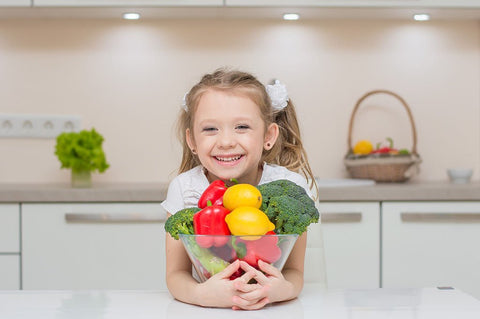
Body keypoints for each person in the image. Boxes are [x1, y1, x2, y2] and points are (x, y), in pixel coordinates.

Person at [162, 68, 317, 310]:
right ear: (192, 140)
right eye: (210, 129)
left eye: (242, 127)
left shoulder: (290, 188)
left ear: (268, 135)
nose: (225, 142)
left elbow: (294, 272)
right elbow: (175, 275)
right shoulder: (185, 188)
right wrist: (201, 295)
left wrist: (283, 290)